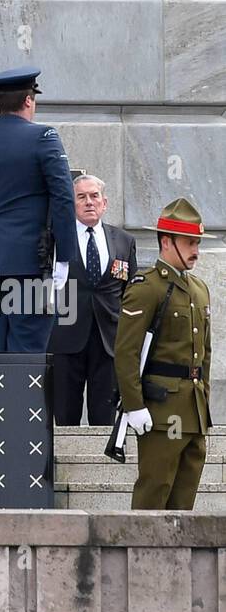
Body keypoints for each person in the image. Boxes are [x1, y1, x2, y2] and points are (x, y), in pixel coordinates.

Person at [0, 67, 77, 353]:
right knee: (29, 351)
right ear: (29, 100)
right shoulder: (44, 136)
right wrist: (64, 258)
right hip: (31, 263)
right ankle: (24, 401)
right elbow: (63, 197)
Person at [114, 198, 214, 511]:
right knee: (154, 494)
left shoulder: (199, 288)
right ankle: (141, 560)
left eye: (197, 242)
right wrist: (134, 405)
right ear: (167, 242)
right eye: (189, 243)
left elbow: (205, 354)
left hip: (193, 411)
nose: (195, 250)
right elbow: (126, 351)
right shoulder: (148, 287)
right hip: (160, 411)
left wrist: (204, 400)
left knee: (184, 503)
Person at [48, 174, 139, 426]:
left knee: (105, 417)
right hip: (66, 338)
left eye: (94, 196)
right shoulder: (56, 239)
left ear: (104, 202)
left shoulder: (124, 241)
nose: (89, 202)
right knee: (65, 417)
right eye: (82, 197)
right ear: (72, 203)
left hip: (108, 339)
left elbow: (130, 293)